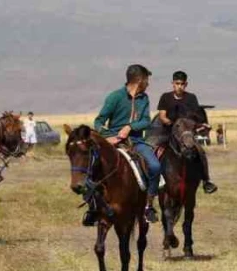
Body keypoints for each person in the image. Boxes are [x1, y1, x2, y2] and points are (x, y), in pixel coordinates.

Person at [93, 64, 160, 225]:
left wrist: (130, 127)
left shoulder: (144, 99)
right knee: (93, 167)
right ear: (139, 80)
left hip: (136, 142)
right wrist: (109, 137)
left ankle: (148, 206)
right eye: (146, 80)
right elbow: (99, 122)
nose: (148, 84)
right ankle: (93, 208)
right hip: (114, 143)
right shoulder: (115, 97)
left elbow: (145, 121)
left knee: (155, 166)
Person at [154, 71, 217, 194]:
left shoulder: (191, 98)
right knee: (155, 150)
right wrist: (172, 125)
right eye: (177, 83)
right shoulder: (165, 97)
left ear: (186, 84)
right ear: (172, 83)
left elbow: (194, 117)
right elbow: (162, 116)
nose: (180, 86)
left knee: (200, 151)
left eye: (182, 84)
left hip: (186, 133)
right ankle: (157, 179)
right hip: (168, 131)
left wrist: (199, 126)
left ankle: (206, 180)